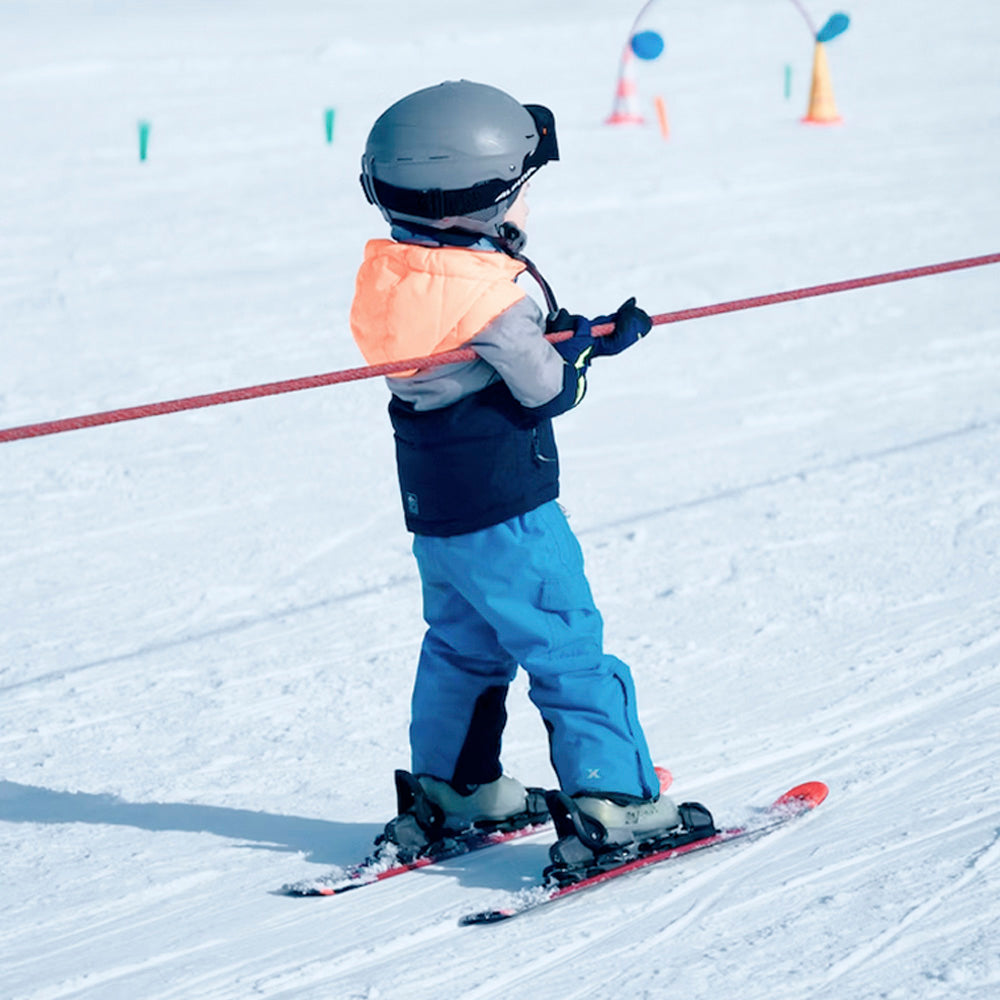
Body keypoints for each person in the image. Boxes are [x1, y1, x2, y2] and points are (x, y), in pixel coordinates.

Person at [349, 80, 681, 867]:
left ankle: (455, 788)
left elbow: (451, 358)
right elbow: (546, 389)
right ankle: (617, 803)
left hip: (436, 510)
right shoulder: (494, 299)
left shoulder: (388, 274)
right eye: (522, 190)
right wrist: (585, 348)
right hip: (508, 510)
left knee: (461, 645)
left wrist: (560, 335)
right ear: (486, 200)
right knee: (565, 643)